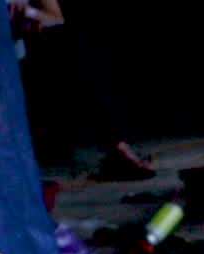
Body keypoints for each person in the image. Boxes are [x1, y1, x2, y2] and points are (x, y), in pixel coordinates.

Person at [12, 0, 157, 181]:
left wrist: (28, 13)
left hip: (19, 60)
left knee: (72, 42)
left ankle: (117, 148)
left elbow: (55, 18)